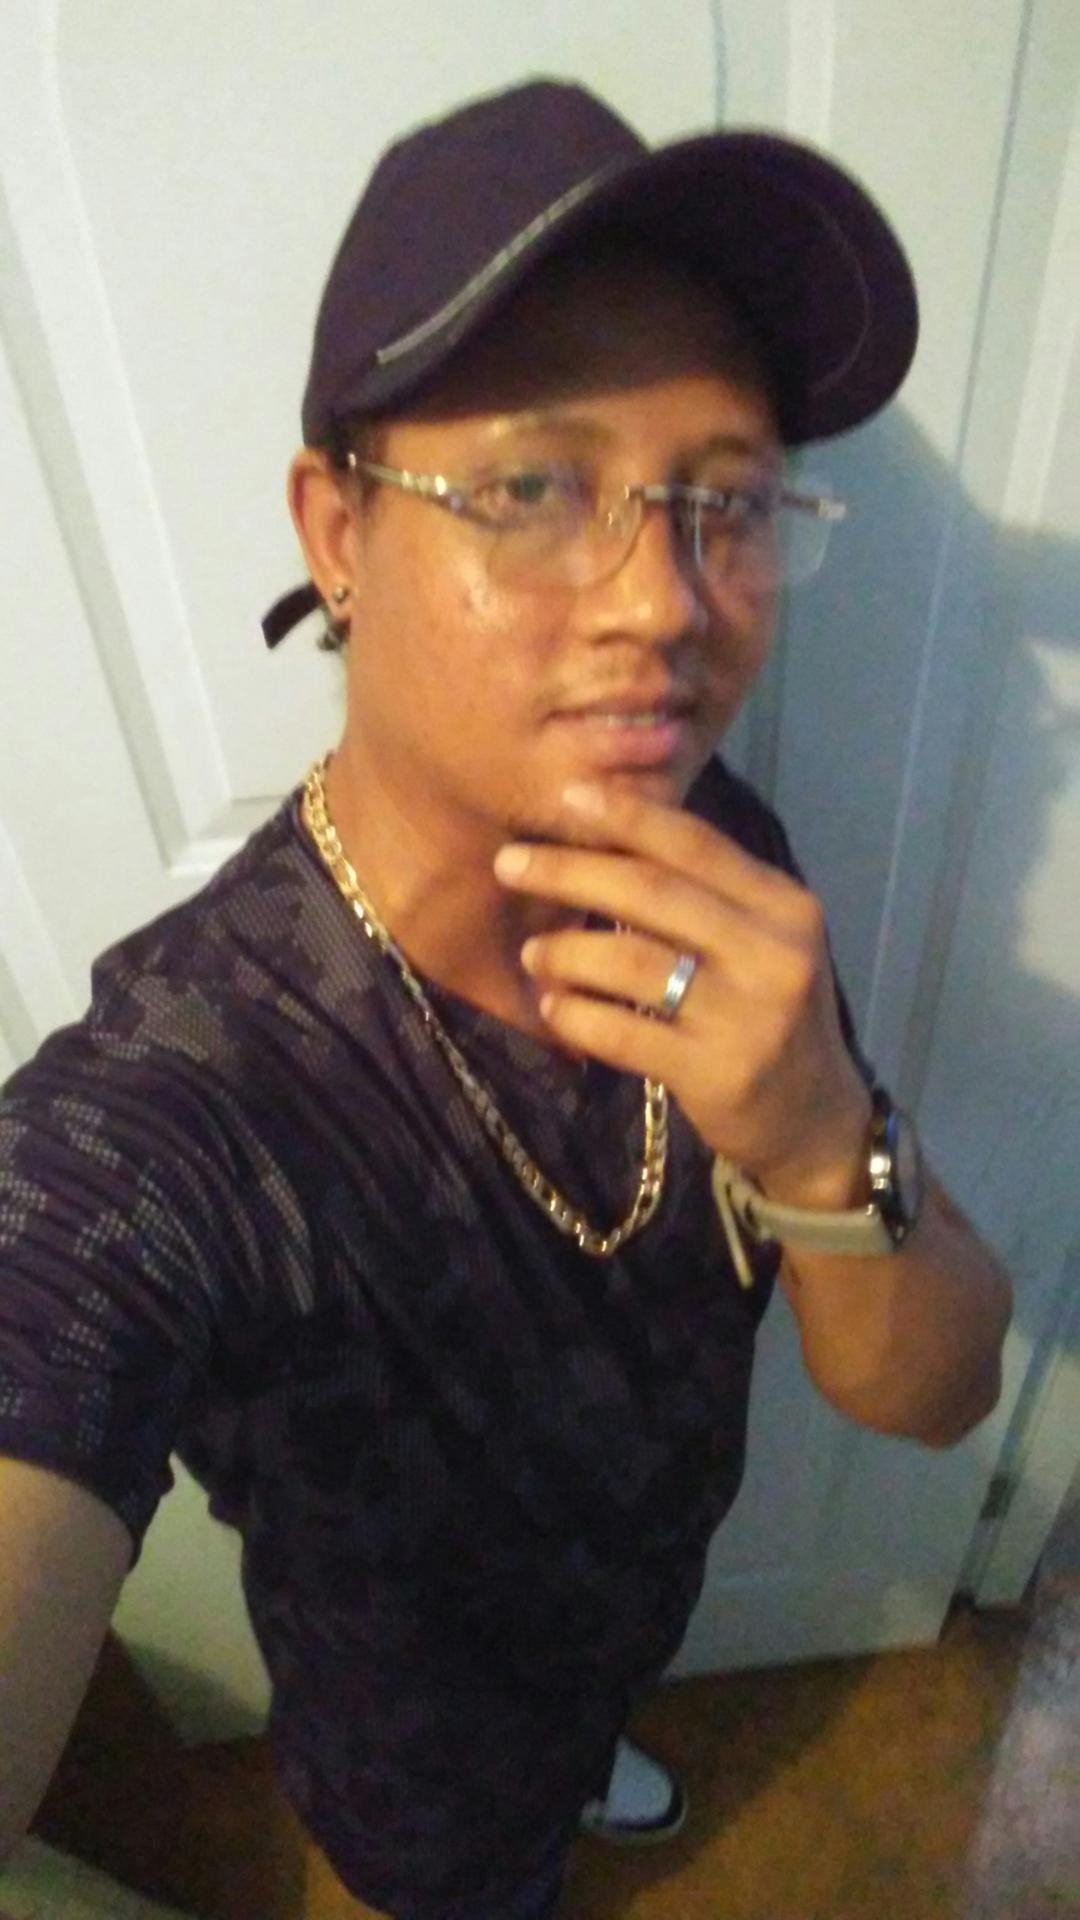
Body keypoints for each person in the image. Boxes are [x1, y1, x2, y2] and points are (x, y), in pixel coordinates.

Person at [0, 76, 1012, 1920]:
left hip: (633, 1617)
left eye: (725, 500)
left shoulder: (722, 856)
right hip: (418, 1780)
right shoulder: (193, 1094)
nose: (666, 605)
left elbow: (933, 1393)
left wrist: (816, 1133)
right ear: (336, 532)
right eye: (536, 488)